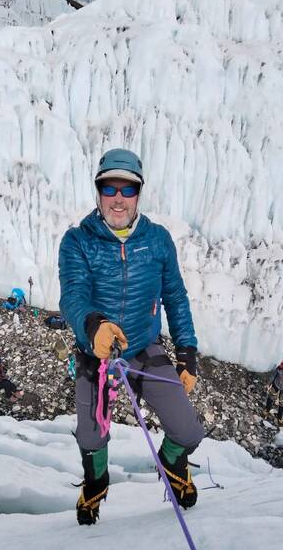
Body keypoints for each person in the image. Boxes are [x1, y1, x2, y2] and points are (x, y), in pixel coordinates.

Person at [59, 148, 205, 525]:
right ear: (98, 192)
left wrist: (187, 352)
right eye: (110, 189)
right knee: (91, 440)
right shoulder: (78, 242)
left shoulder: (157, 241)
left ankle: (173, 462)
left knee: (188, 430)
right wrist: (93, 326)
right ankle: (95, 485)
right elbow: (72, 294)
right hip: (96, 353)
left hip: (142, 348)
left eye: (128, 189)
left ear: (139, 193)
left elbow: (175, 295)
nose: (118, 199)